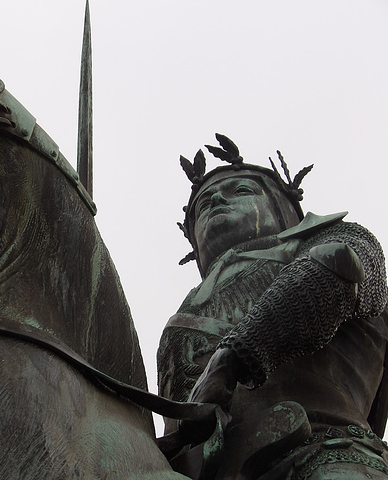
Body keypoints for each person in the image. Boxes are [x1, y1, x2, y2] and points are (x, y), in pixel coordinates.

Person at [157, 134, 388, 479]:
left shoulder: (336, 238)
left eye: (241, 190)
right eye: (203, 204)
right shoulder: (180, 318)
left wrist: (233, 358)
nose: (217, 199)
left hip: (322, 449)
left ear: (282, 209)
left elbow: (333, 277)